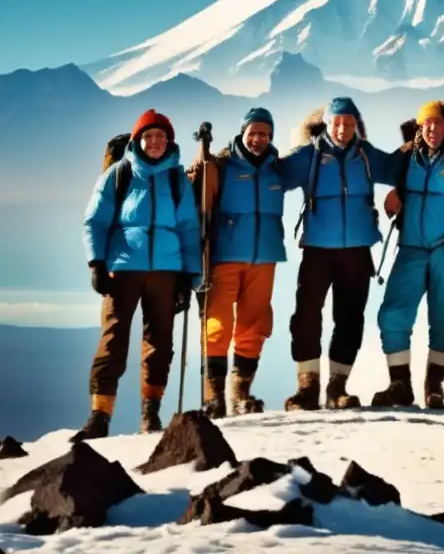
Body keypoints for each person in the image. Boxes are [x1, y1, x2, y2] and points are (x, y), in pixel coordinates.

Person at [74, 109, 201, 441]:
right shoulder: (119, 174)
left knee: (160, 343)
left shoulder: (177, 180)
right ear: (138, 140)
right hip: (123, 271)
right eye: (149, 136)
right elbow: (95, 222)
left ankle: (151, 414)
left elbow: (189, 228)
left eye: (161, 136)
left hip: (166, 273)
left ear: (169, 141)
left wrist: (190, 274)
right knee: (113, 341)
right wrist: (96, 264)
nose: (155, 142)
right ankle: (99, 416)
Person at [281, 96, 402, 411]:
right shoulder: (309, 155)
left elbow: (399, 169)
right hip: (318, 250)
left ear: (356, 125)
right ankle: (307, 388)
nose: (343, 128)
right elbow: (271, 174)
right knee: (306, 316)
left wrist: (411, 150)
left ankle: (337, 387)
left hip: (357, 251)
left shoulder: (366, 156)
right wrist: (221, 162)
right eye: (337, 122)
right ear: (327, 123)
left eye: (349, 123)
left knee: (350, 319)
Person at [372, 100, 444, 409]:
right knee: (392, 315)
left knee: (443, 319)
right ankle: (400, 385)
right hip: (411, 248)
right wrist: (391, 199)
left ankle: (434, 386)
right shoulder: (405, 159)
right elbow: (384, 179)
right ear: (420, 126)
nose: (433, 129)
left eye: (438, 123)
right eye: (428, 123)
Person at [186, 107, 286, 418]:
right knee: (217, 324)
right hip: (224, 256)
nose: (258, 139)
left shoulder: (277, 168)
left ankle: (240, 394)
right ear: (243, 133)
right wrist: (200, 152)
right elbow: (198, 188)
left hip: (265, 256)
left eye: (265, 134)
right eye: (253, 132)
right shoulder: (221, 165)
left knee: (255, 324)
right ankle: (213, 397)